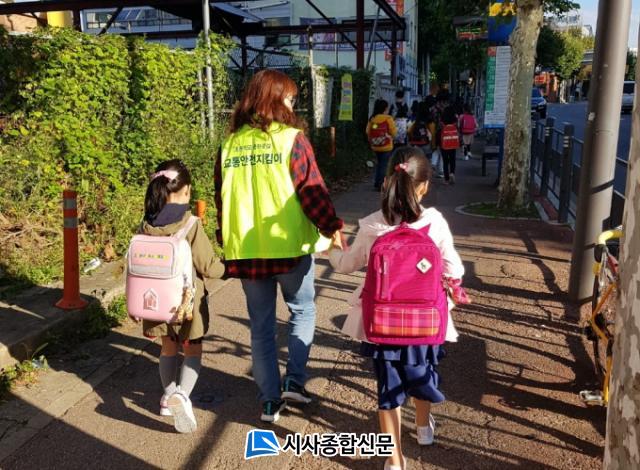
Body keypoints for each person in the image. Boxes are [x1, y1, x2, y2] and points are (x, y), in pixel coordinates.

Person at [215, 69, 343, 423]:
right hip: (288, 248)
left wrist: (224, 239)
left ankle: (269, 402)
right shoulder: (291, 140)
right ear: (274, 99)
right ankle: (295, 383)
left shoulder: (230, 144)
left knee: (261, 328)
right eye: (289, 97)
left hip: (247, 251)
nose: (292, 103)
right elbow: (311, 191)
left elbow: (221, 199)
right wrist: (331, 227)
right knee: (302, 311)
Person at [328, 147, 467, 470]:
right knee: (422, 373)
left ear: (387, 182)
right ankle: (423, 429)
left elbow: (346, 265)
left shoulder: (372, 225)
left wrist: (334, 247)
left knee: (388, 389)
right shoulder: (435, 223)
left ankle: (394, 460)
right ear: (424, 186)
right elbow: (455, 270)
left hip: (383, 324)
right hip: (425, 322)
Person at [140, 159, 224, 433]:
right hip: (187, 303)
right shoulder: (189, 223)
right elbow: (208, 266)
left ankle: (167, 397)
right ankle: (182, 396)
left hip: (154, 300)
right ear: (185, 190)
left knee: (167, 348)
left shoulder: (147, 223)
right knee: (192, 350)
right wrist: (230, 269)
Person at [367, 99, 397, 191]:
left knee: (379, 164)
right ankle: (381, 184)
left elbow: (367, 131)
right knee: (384, 165)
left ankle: (377, 182)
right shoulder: (388, 119)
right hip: (386, 146)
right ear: (385, 108)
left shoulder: (372, 119)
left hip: (375, 145)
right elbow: (393, 132)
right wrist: (390, 136)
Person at [439, 103, 460, 184]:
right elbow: (458, 129)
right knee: (452, 159)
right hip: (453, 142)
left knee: (445, 161)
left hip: (444, 142)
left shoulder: (442, 121)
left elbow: (439, 130)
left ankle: (446, 179)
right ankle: (452, 173)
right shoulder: (455, 120)